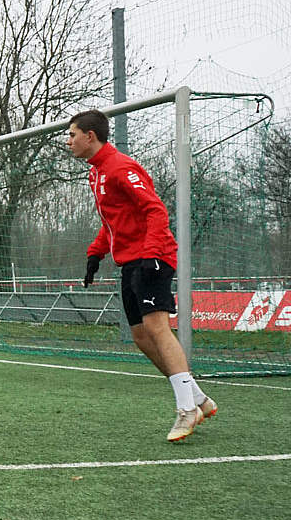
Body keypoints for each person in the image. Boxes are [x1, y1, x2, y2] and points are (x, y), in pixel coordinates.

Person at [69, 109, 217, 442]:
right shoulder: (96, 174)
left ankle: (186, 409)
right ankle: (198, 398)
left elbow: (155, 210)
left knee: (156, 327)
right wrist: (96, 252)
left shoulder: (121, 167)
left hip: (153, 256)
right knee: (140, 336)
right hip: (130, 261)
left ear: (90, 136)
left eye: (73, 134)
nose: (69, 142)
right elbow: (115, 222)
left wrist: (151, 252)